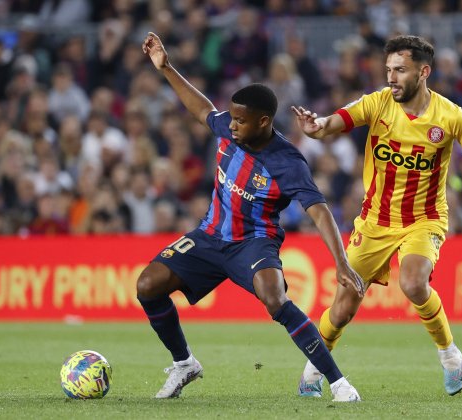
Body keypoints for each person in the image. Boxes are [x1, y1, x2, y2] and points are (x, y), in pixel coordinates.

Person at [292, 35, 462, 397]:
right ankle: (315, 367)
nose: (391, 78)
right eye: (388, 69)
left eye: (400, 70)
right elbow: (335, 121)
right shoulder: (377, 104)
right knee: (342, 308)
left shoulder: (450, 116)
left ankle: (450, 356)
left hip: (424, 219)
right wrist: (317, 126)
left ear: (424, 72)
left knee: (414, 282)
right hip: (374, 221)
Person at [137, 32, 364, 402]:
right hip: (210, 235)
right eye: (232, 119)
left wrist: (340, 262)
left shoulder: (287, 162)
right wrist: (166, 68)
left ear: (263, 122)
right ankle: (184, 364)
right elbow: (202, 110)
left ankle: (339, 383)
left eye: (240, 121)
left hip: (254, 241)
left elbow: (319, 212)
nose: (232, 125)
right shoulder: (230, 126)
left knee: (274, 299)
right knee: (147, 285)